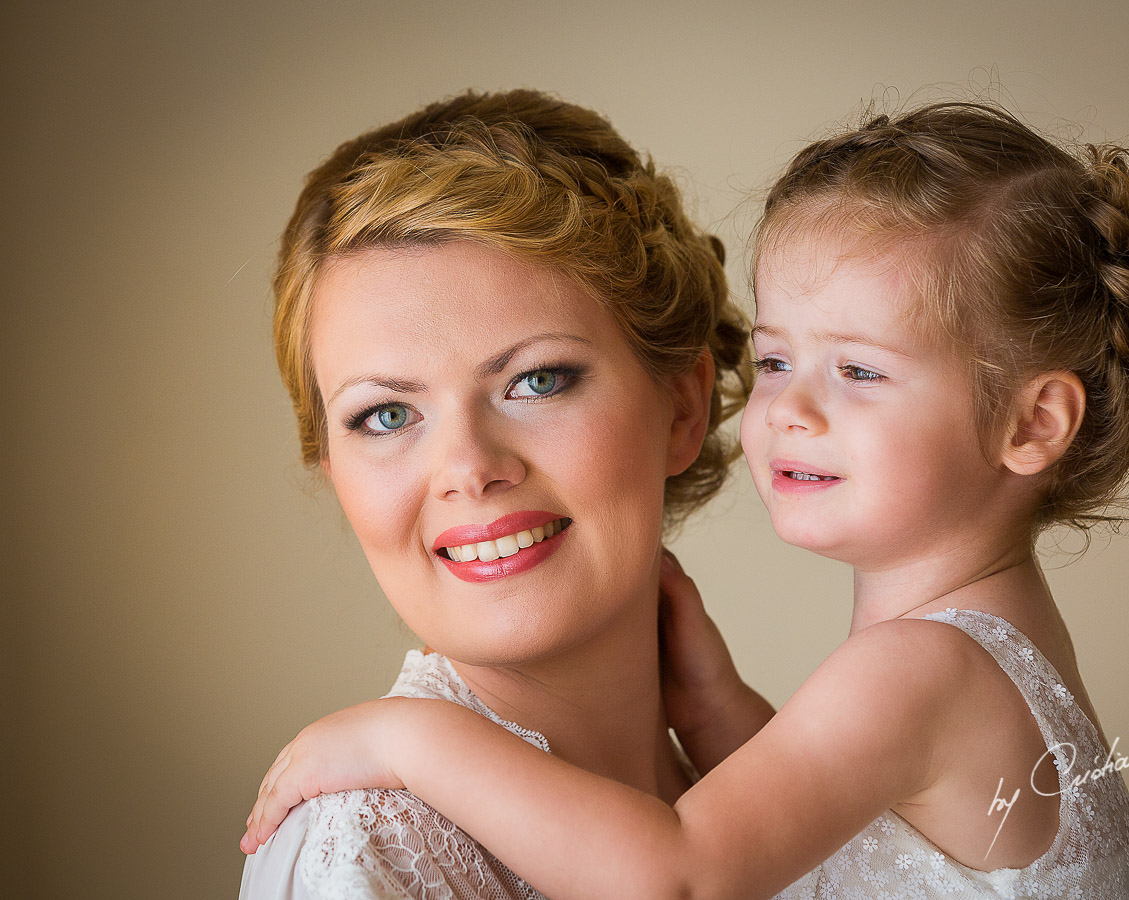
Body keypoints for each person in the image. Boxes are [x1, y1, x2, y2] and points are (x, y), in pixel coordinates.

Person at [244, 101, 1129, 899]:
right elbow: (881, 845)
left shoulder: (921, 670)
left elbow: (681, 880)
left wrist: (413, 738)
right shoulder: (993, 650)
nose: (787, 411)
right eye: (776, 361)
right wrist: (721, 712)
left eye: (859, 369)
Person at [237, 88, 756, 899]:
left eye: (537, 380)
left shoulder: (765, 796)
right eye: (385, 414)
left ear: (682, 408)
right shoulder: (364, 853)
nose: (468, 467)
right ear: (335, 472)